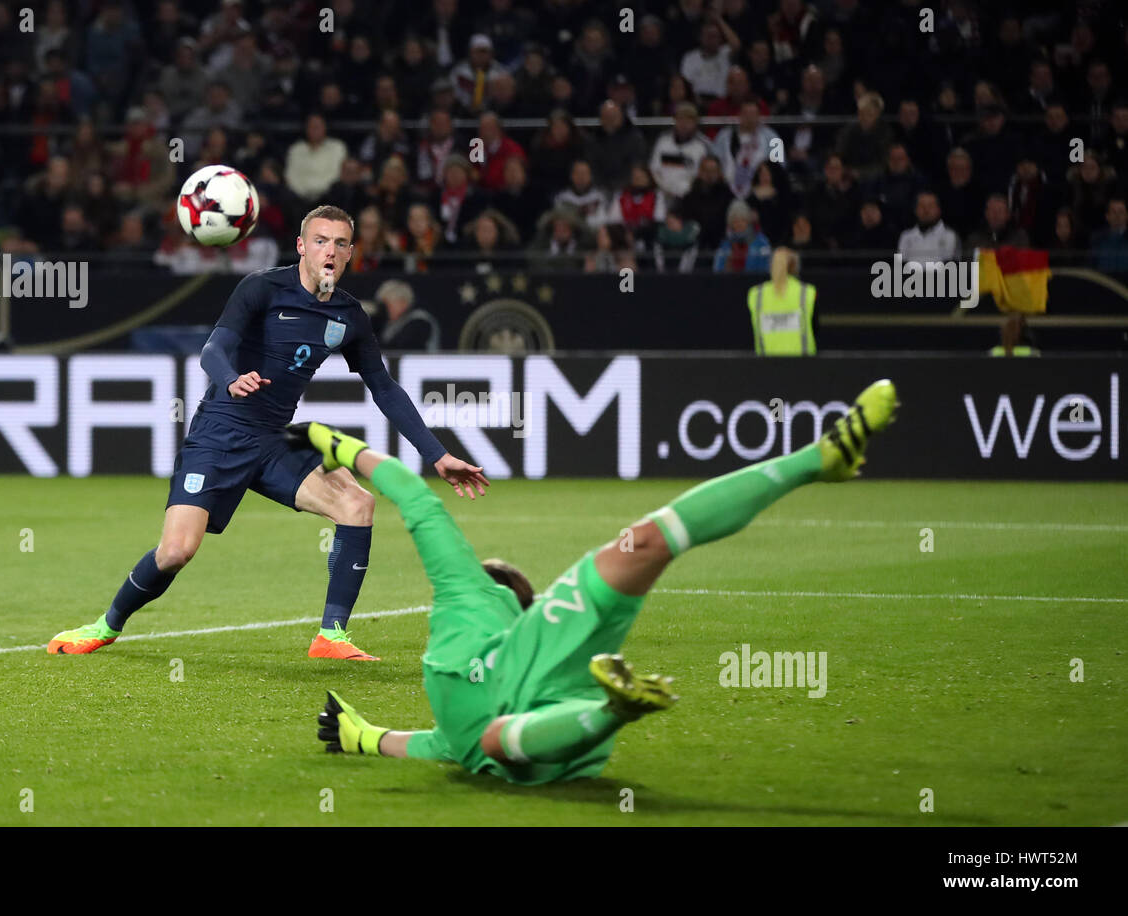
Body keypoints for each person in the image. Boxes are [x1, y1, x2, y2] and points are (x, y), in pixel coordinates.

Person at [306, 378, 899, 783]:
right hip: (548, 717)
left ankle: (819, 460)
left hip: (539, 677)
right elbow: (416, 743)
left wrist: (330, 441)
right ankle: (614, 709)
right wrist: (361, 736)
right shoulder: (470, 597)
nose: (495, 568)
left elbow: (414, 496)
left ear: (504, 594)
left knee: (642, 541)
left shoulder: (468, 590)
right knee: (489, 739)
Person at [47, 205, 489, 661]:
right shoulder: (261, 288)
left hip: (276, 437)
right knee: (177, 551)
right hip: (220, 431)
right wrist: (229, 378)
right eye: (320, 241)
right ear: (301, 246)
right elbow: (214, 348)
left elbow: (385, 389)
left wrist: (437, 455)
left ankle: (331, 637)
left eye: (340, 243)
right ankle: (105, 625)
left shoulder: (349, 316)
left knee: (358, 503)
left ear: (351, 252)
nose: (329, 252)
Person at [746, 247, 816, 356]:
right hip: (802, 364)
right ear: (795, 267)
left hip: (766, 364)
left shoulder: (756, 294)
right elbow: (816, 329)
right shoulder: (807, 291)